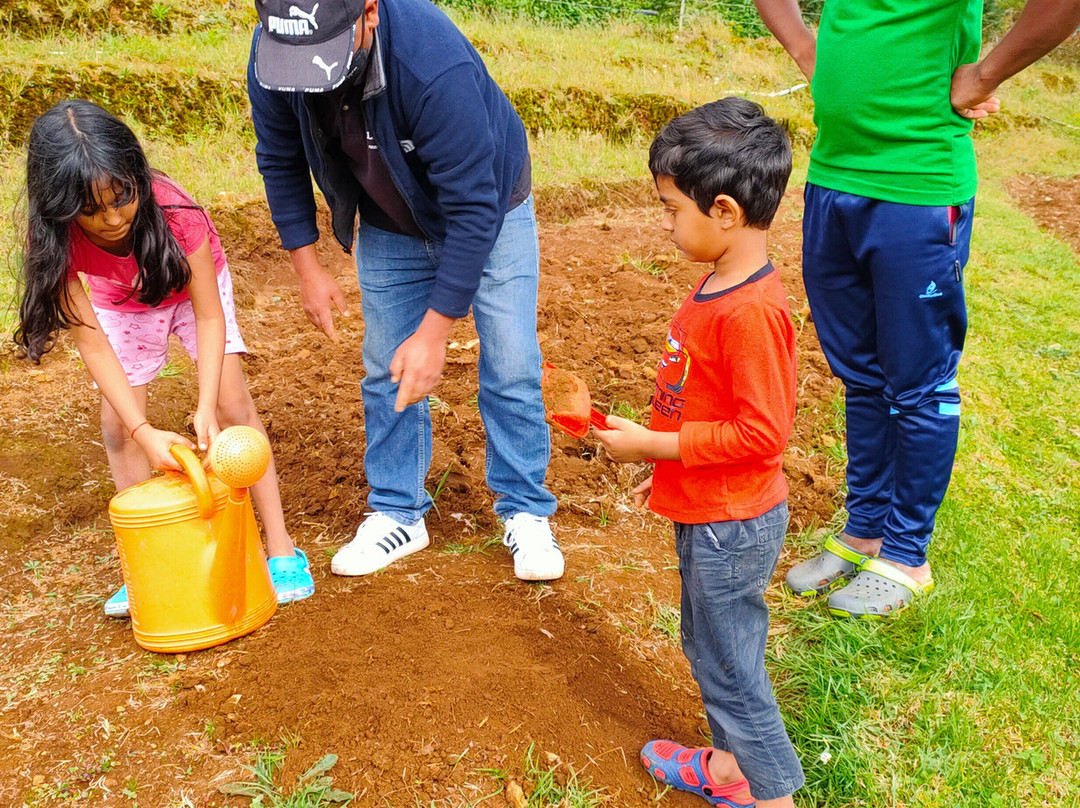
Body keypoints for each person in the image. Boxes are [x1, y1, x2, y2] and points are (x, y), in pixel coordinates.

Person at [751, 0, 1080, 617]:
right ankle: (865, 529)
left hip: (919, 187)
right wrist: (804, 46)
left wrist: (984, 75)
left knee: (919, 382)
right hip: (835, 178)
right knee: (860, 374)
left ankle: (906, 555)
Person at [246, 0, 563, 581]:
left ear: (368, 13)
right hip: (389, 220)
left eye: (327, 57)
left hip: (492, 208)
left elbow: (473, 208)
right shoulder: (280, 52)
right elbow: (279, 157)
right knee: (384, 365)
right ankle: (398, 509)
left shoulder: (429, 60)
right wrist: (308, 268)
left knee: (512, 362)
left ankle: (525, 510)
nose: (315, 73)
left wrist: (436, 331)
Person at [14, 100, 315, 616]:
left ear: (136, 177)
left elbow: (208, 317)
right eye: (91, 210)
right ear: (57, 206)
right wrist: (142, 430)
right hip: (122, 300)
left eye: (122, 198)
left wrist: (203, 405)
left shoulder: (176, 213)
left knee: (231, 406)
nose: (111, 218)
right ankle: (143, 562)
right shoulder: (51, 242)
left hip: (195, 294)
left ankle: (283, 550)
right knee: (115, 424)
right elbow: (92, 342)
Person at [595, 98, 802, 808]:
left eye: (670, 208)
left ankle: (771, 796)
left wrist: (652, 443)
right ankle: (727, 770)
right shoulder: (720, 281)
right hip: (707, 512)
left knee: (732, 673)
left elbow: (763, 435)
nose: (664, 222)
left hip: (732, 524)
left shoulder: (750, 312)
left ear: (723, 210)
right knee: (711, 652)